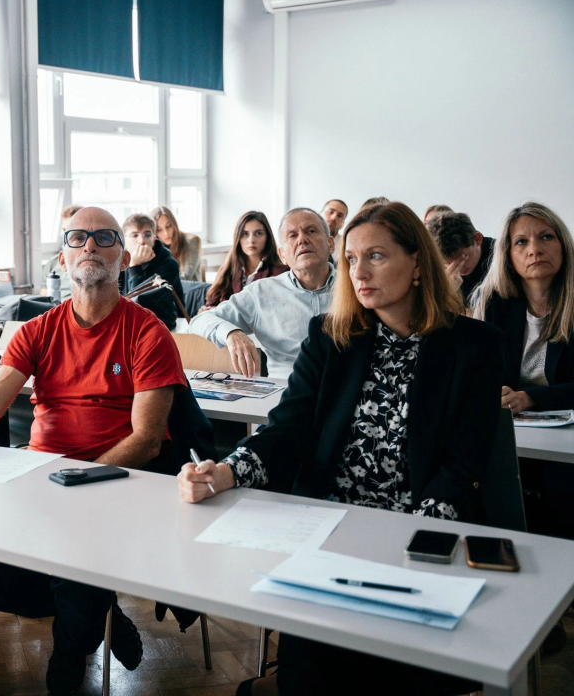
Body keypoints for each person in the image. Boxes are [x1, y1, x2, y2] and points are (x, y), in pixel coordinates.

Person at [181, 201, 501, 696]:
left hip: (419, 536)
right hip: (329, 531)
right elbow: (288, 432)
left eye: (375, 256)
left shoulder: (473, 346)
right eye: (351, 259)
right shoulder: (331, 339)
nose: (358, 272)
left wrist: (415, 538)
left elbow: (463, 464)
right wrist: (224, 472)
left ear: (418, 263)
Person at [0, 207, 187, 693]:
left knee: (78, 569)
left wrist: (79, 481)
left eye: (104, 238)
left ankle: (74, 641)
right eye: (78, 238)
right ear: (63, 259)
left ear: (122, 259)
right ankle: (97, 607)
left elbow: (146, 441)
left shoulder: (148, 332)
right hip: (40, 479)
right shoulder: (38, 329)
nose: (90, 247)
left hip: (117, 484)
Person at [473, 202, 574, 539]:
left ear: (562, 245)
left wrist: (530, 397)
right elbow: (481, 374)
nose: (535, 249)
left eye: (546, 237)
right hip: (512, 430)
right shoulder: (493, 302)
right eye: (522, 242)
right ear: (508, 255)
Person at [190, 208, 335, 379]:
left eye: (311, 231)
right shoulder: (261, 292)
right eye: (292, 236)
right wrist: (231, 333)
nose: (302, 239)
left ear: (330, 244)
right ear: (282, 255)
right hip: (288, 392)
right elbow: (198, 321)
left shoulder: (355, 288)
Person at [203, 211, 288, 309]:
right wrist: (207, 310)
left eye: (258, 233)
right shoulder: (228, 268)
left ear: (267, 237)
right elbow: (212, 302)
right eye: (245, 234)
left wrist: (223, 312)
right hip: (225, 324)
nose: (251, 240)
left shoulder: (281, 272)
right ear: (238, 238)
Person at [119, 212, 185, 329]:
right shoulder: (117, 262)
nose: (141, 241)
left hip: (166, 328)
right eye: (135, 235)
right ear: (124, 240)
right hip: (126, 326)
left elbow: (139, 308)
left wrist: (135, 267)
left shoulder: (168, 264)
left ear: (154, 240)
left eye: (147, 235)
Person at [428, 211, 494, 307]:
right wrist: (445, 293)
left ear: (477, 239)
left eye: (464, 257)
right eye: (448, 263)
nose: (459, 268)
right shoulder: (435, 268)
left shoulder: (506, 256)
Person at [41, 204, 83, 300]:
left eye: (71, 230)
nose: (66, 235)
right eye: (64, 230)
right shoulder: (52, 263)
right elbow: (44, 298)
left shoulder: (91, 261)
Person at [152, 205, 203, 282]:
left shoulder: (191, 241)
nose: (166, 233)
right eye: (159, 229)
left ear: (174, 224)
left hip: (189, 291)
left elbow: (186, 277)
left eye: (169, 226)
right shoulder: (155, 247)